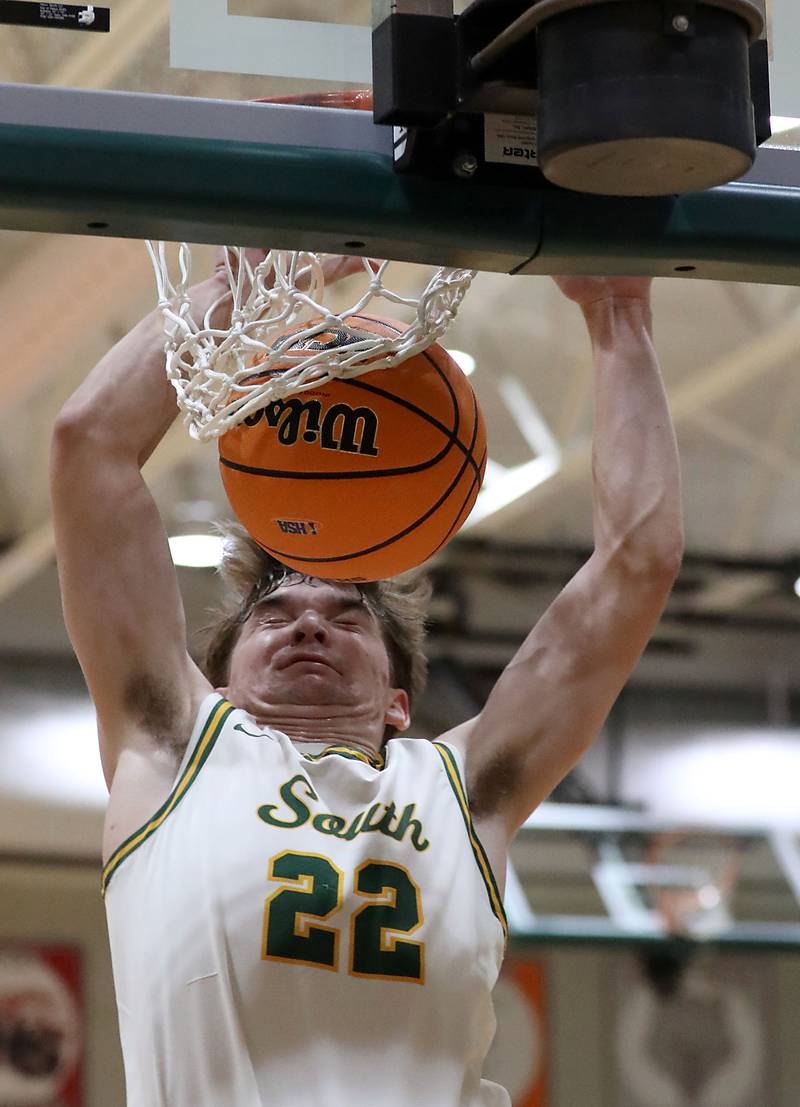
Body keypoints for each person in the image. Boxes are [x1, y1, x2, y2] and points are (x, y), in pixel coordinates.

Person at [50, 254, 683, 1107]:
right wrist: (259, 280)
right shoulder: (175, 748)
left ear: (398, 700)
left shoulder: (467, 788)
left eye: (348, 617)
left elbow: (637, 565)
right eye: (274, 616)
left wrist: (619, 309)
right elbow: (87, 445)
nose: (310, 620)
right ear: (220, 685)